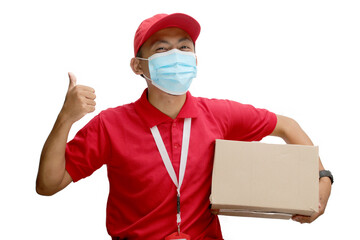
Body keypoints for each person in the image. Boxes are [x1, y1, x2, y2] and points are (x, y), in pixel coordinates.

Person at [36, 13, 332, 240]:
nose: (176, 56)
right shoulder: (111, 125)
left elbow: (287, 126)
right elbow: (48, 185)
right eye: (162, 48)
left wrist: (322, 179)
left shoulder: (219, 114)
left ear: (194, 59)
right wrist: (66, 117)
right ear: (138, 66)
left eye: (184, 47)